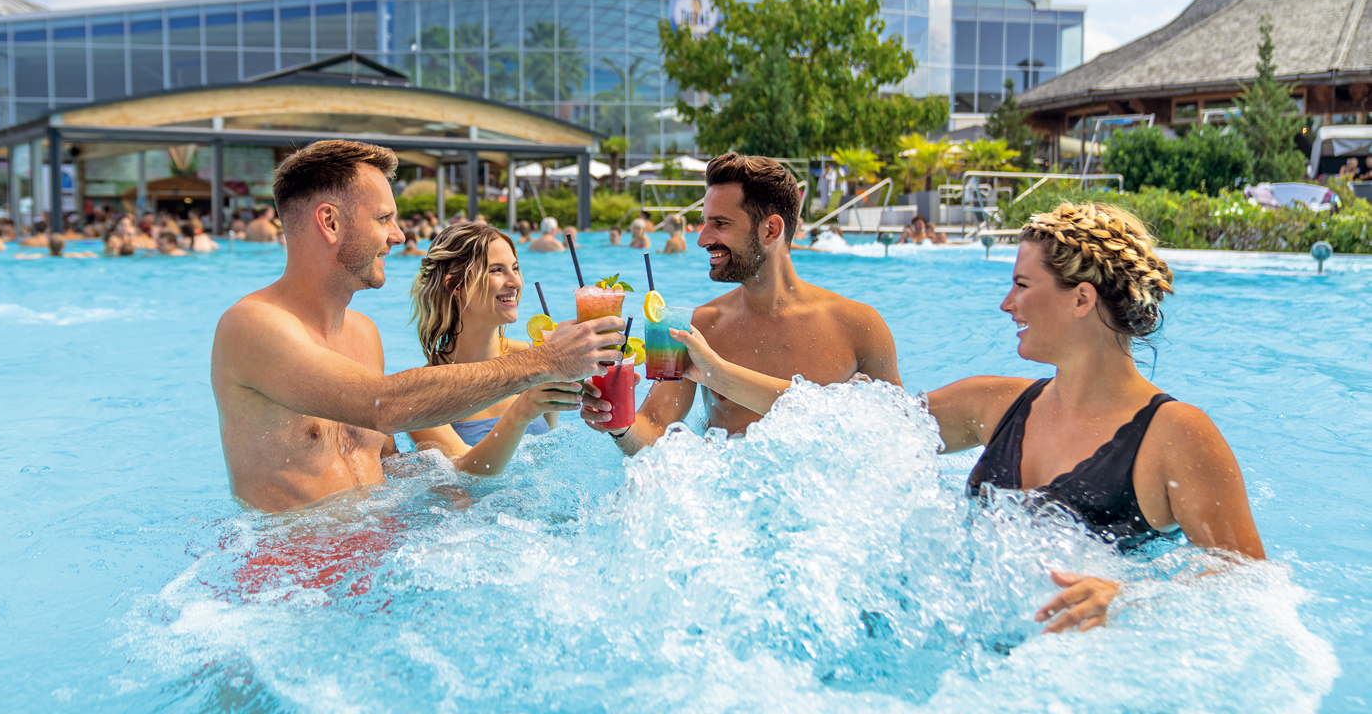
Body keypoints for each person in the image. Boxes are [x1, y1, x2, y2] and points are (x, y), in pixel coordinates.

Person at [210, 139, 622, 513]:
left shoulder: (363, 334)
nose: (398, 235)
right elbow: (384, 406)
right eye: (383, 218)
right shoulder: (252, 325)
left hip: (378, 550)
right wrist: (546, 361)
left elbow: (389, 464)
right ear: (330, 222)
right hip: (293, 562)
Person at [924, 202, 1265, 632]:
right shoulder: (990, 404)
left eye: (1022, 285)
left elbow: (1248, 583)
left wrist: (1129, 597)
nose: (1007, 304)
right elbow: (862, 426)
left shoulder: (1175, 435)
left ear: (1082, 298)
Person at [582, 153, 901, 449]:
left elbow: (901, 433)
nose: (702, 239)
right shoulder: (694, 327)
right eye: (704, 222)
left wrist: (718, 374)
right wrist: (619, 422)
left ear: (771, 230)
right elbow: (653, 426)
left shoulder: (859, 327)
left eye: (720, 223)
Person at [405, 224, 580, 464]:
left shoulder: (534, 358)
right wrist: (521, 412)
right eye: (497, 270)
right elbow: (465, 473)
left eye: (515, 268)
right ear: (455, 286)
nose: (515, 282)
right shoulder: (423, 394)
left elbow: (549, 448)